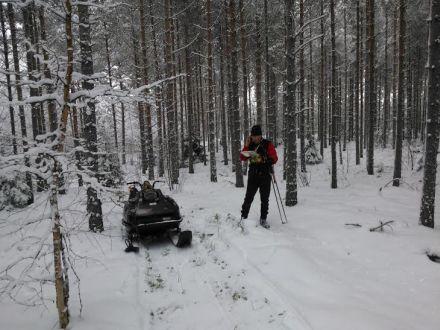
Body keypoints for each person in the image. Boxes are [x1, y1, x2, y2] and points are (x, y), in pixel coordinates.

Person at [240, 125, 278, 229]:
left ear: (260, 135)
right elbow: (243, 157)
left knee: (264, 199)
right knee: (248, 198)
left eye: (257, 136)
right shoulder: (250, 144)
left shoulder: (267, 144)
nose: (255, 138)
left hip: (265, 175)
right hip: (253, 175)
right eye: (253, 136)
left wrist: (264, 159)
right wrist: (246, 146)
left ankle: (263, 219)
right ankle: (243, 217)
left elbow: (274, 158)